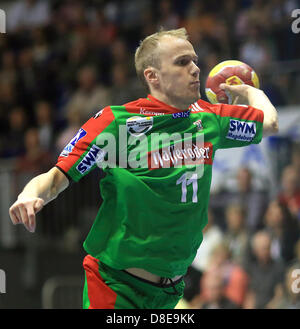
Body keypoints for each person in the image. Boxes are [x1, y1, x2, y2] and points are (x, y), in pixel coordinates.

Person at [9, 27, 279, 309]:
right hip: (116, 287)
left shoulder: (210, 119)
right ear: (153, 76)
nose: (196, 69)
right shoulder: (117, 124)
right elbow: (56, 177)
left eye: (195, 60)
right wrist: (29, 195)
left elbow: (270, 123)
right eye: (182, 62)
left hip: (170, 293)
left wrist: (249, 90)